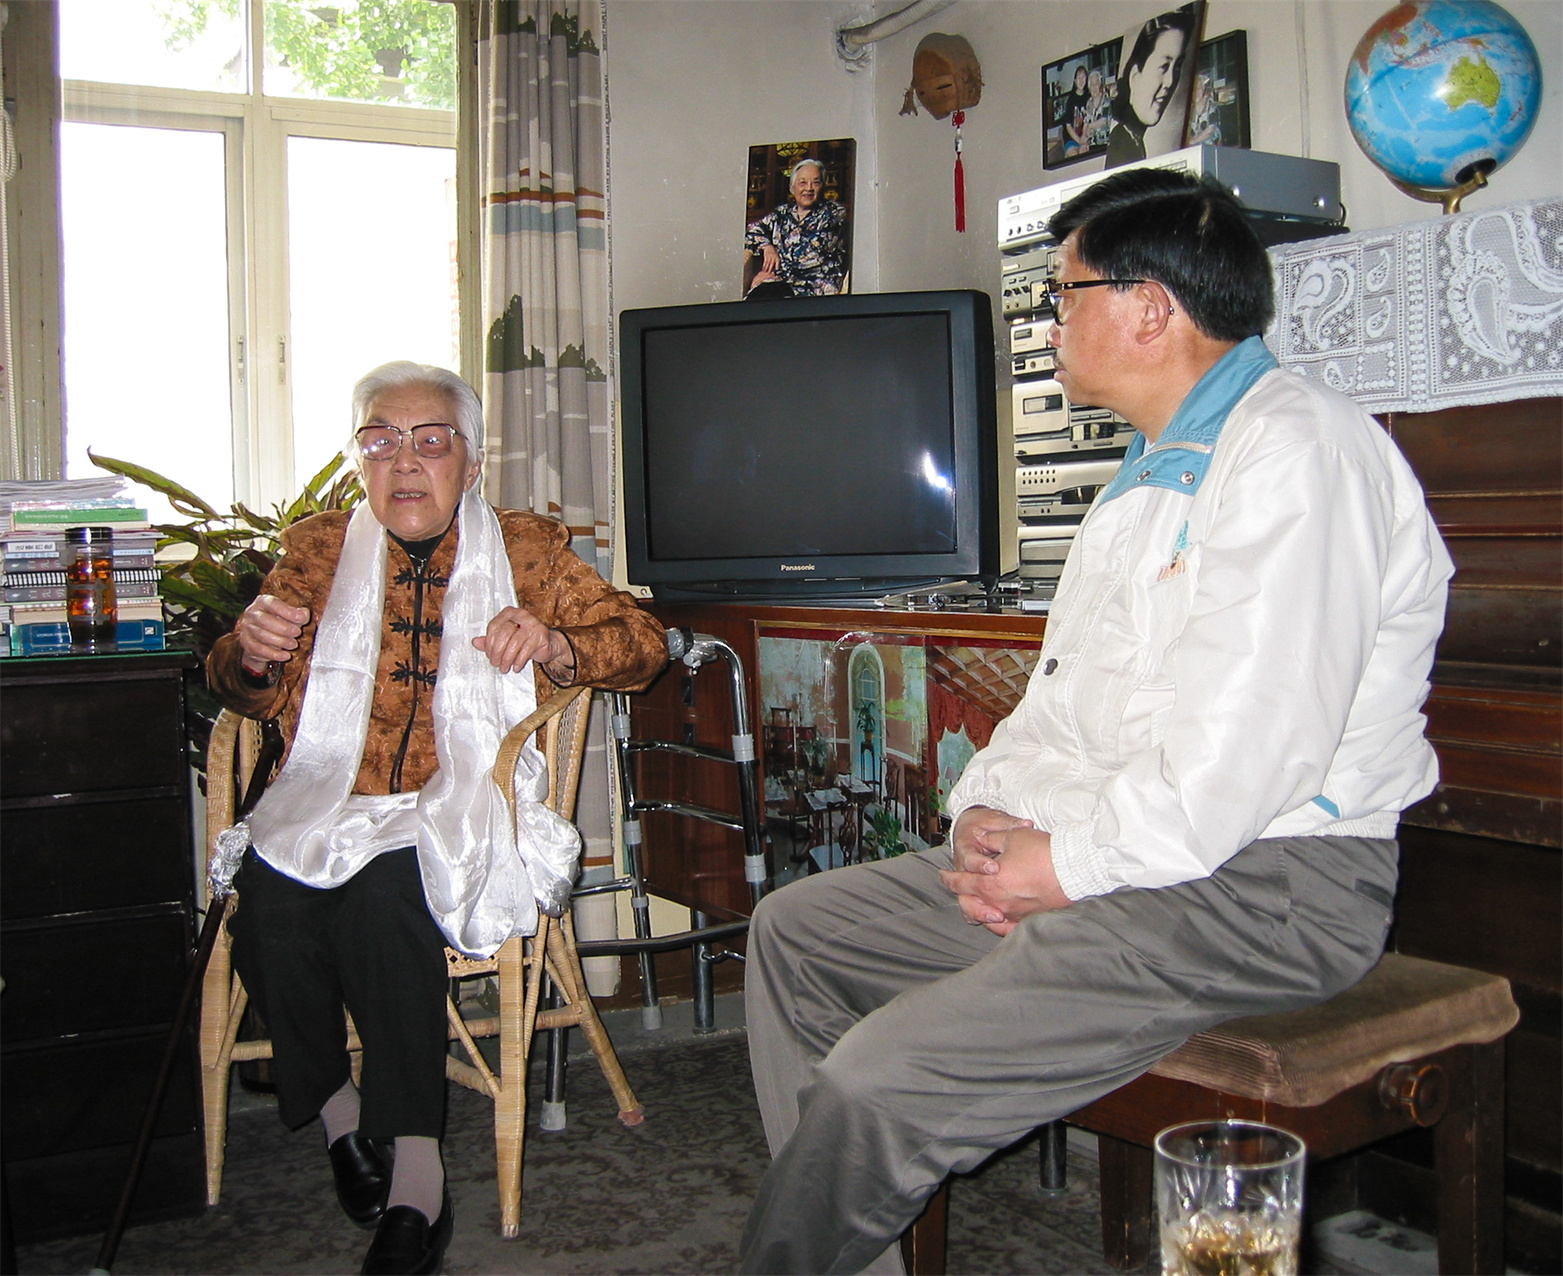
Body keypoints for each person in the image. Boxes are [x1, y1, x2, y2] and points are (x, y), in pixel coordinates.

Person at [737, 168, 1452, 1275]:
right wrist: (986, 813)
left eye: (1061, 294)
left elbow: (1242, 760)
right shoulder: (1144, 474)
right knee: (796, 932)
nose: (1047, 324)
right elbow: (1061, 703)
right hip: (1127, 855)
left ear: (1149, 307)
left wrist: (1062, 867)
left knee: (881, 1082)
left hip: (1263, 887)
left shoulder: (1299, 454)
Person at [206, 361, 667, 1275]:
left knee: (388, 902)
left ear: (472, 461)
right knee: (269, 903)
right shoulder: (317, 550)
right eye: (381, 440)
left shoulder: (528, 551)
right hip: (329, 795)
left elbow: (641, 647)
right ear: (360, 460)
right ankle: (340, 1119)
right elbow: (240, 685)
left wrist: (557, 642)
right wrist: (251, 655)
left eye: (430, 441)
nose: (405, 462)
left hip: (455, 801)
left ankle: (417, 1181)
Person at [744, 158, 849, 297]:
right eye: (802, 183)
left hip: (814, 287)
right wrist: (767, 247)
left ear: (823, 186)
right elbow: (752, 231)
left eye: (816, 182)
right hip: (781, 285)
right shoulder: (782, 213)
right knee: (756, 299)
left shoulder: (834, 213)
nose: (809, 188)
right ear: (792, 188)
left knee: (765, 297)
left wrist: (770, 275)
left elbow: (809, 253)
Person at [1104, 10, 1195, 166]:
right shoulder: (1123, 144)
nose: (1170, 82)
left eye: (1177, 66)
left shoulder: (1133, 140)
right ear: (1134, 77)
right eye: (1164, 66)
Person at [1059, 64, 1091, 156]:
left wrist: (1084, 140)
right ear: (1075, 81)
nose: (1081, 80)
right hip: (1071, 138)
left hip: (1084, 137)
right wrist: (1079, 140)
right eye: (1079, 77)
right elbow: (1068, 126)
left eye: (1083, 77)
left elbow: (1089, 121)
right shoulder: (1070, 100)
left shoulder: (1089, 98)